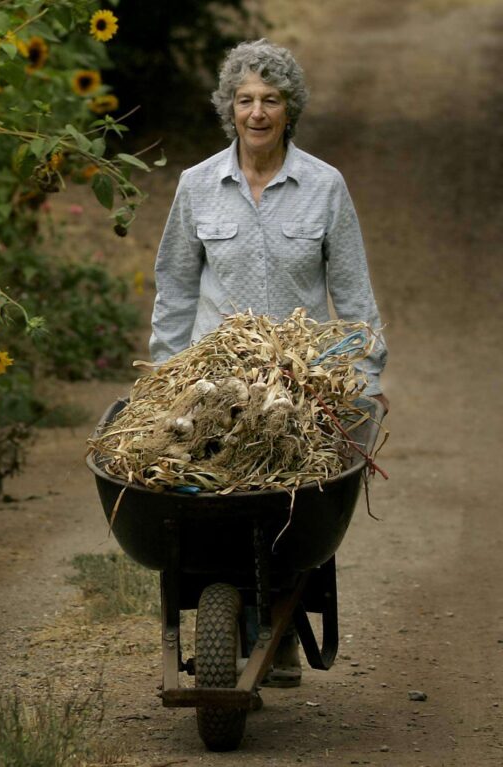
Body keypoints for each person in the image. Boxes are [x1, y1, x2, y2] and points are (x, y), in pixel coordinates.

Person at [149, 39, 389, 686]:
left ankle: (275, 610)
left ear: (290, 110)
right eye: (245, 100)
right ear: (230, 109)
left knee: (285, 505)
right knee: (212, 505)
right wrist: (167, 380)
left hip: (297, 385)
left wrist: (360, 384)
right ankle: (239, 610)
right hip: (214, 385)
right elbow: (174, 291)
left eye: (271, 100)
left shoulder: (324, 187)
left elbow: (355, 300)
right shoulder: (197, 187)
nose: (257, 112)